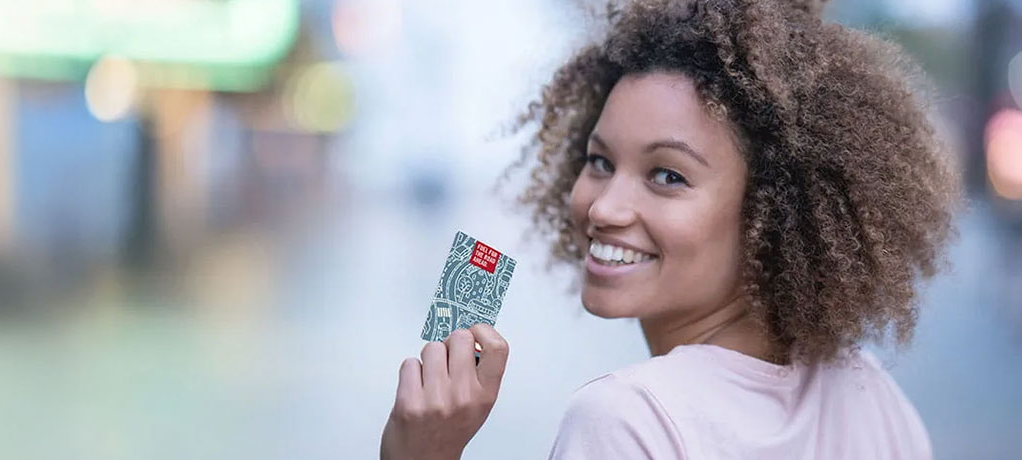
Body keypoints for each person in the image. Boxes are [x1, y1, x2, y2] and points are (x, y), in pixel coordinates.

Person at [380, 0, 958, 458]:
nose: (604, 207)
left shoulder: (628, 420)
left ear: (774, 213)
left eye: (667, 175)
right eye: (599, 161)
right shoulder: (874, 398)